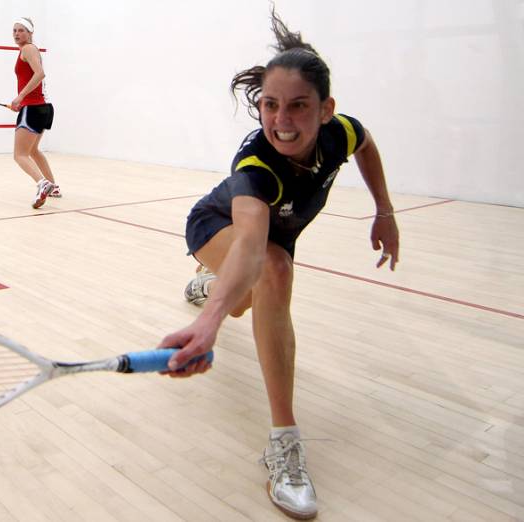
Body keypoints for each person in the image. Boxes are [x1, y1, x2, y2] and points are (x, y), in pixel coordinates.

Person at [158, 8, 400, 520]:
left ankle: (210, 288)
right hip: (216, 225)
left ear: (326, 108)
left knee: (247, 302)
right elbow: (249, 243)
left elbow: (369, 145)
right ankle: (283, 445)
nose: (281, 121)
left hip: (266, 239)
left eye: (297, 106)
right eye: (269, 105)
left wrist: (385, 210)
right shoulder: (255, 167)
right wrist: (208, 325)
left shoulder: (343, 133)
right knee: (271, 269)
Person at [11, 17, 60, 209]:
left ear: (30, 32)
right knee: (32, 151)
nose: (16, 34)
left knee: (19, 155)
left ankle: (43, 183)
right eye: (14, 30)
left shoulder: (28, 48)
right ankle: (53, 186)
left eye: (21, 30)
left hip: (32, 108)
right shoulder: (31, 50)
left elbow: (40, 74)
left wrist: (20, 97)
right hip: (43, 108)